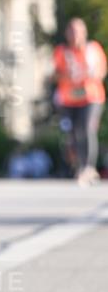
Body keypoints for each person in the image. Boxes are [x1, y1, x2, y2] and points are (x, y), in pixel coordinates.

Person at [53, 18, 106, 186]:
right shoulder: (61, 51)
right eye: (72, 32)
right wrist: (69, 75)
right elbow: (55, 74)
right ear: (67, 34)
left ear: (84, 33)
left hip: (91, 96)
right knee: (74, 133)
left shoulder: (93, 49)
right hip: (69, 99)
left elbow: (101, 70)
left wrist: (89, 74)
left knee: (87, 128)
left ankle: (89, 167)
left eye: (78, 32)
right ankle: (80, 166)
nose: (75, 35)